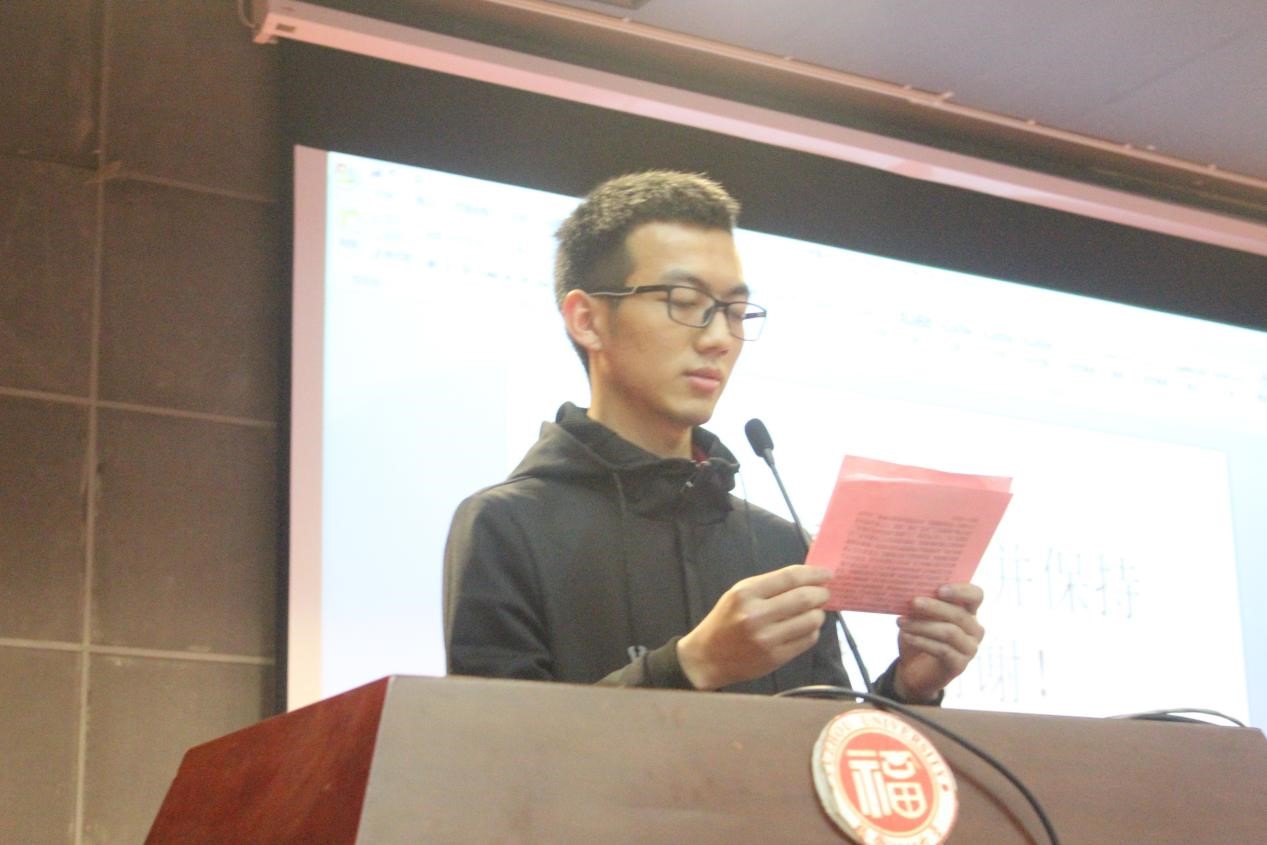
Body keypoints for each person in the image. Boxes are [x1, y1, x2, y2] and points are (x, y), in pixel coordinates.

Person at [443, 171, 984, 701]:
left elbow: (821, 745)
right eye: (684, 303)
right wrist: (692, 665)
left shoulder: (782, 549)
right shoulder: (508, 526)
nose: (721, 338)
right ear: (587, 319)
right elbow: (498, 746)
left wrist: (907, 689)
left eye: (736, 311)